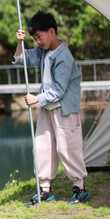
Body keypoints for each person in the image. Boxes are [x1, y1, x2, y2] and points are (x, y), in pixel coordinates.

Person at [13, 11, 90, 205]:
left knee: (67, 148)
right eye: (34, 38)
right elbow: (21, 60)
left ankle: (79, 188)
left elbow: (59, 90)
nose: (37, 41)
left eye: (39, 37)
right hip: (47, 109)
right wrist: (20, 42)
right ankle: (45, 190)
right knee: (42, 147)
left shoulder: (64, 57)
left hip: (64, 109)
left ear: (52, 31)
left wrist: (35, 99)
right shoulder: (43, 51)